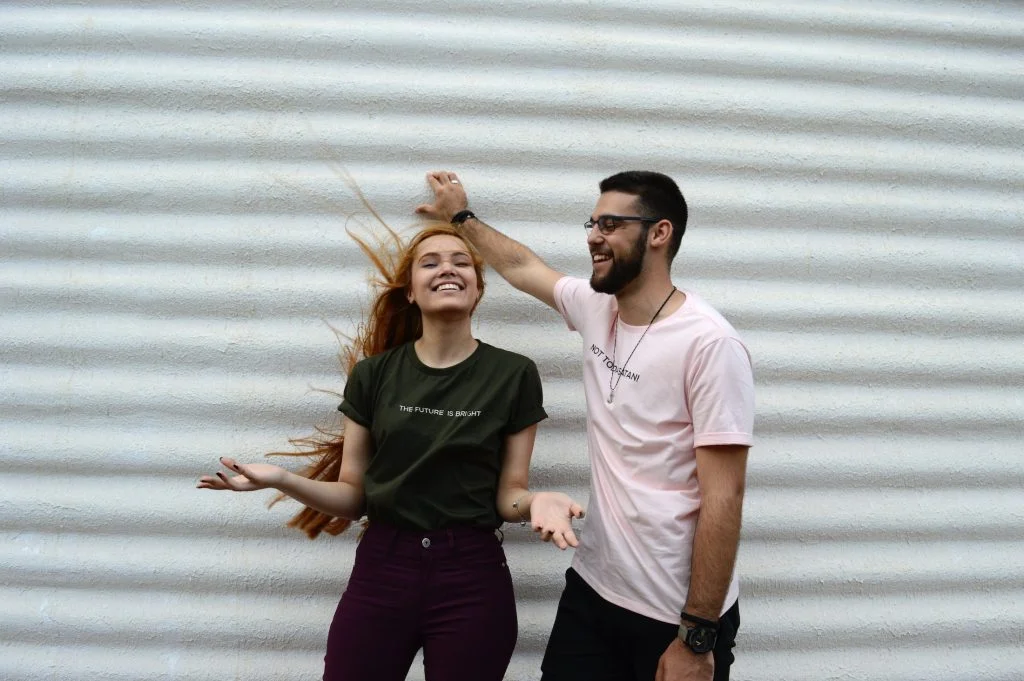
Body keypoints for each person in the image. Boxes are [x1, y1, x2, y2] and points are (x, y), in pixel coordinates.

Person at [197, 218, 584, 681]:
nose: (448, 269)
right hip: (383, 571)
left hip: (472, 577)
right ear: (410, 292)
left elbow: (510, 493)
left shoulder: (513, 374)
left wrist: (537, 502)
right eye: (431, 262)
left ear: (478, 290)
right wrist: (281, 479)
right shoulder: (373, 376)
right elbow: (352, 498)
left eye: (462, 262)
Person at [415, 170, 755, 681]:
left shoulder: (709, 344)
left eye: (611, 224)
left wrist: (698, 634)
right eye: (593, 222)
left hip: (674, 616)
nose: (593, 236)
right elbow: (522, 265)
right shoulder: (597, 307)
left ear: (659, 233)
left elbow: (725, 498)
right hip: (594, 590)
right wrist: (461, 218)